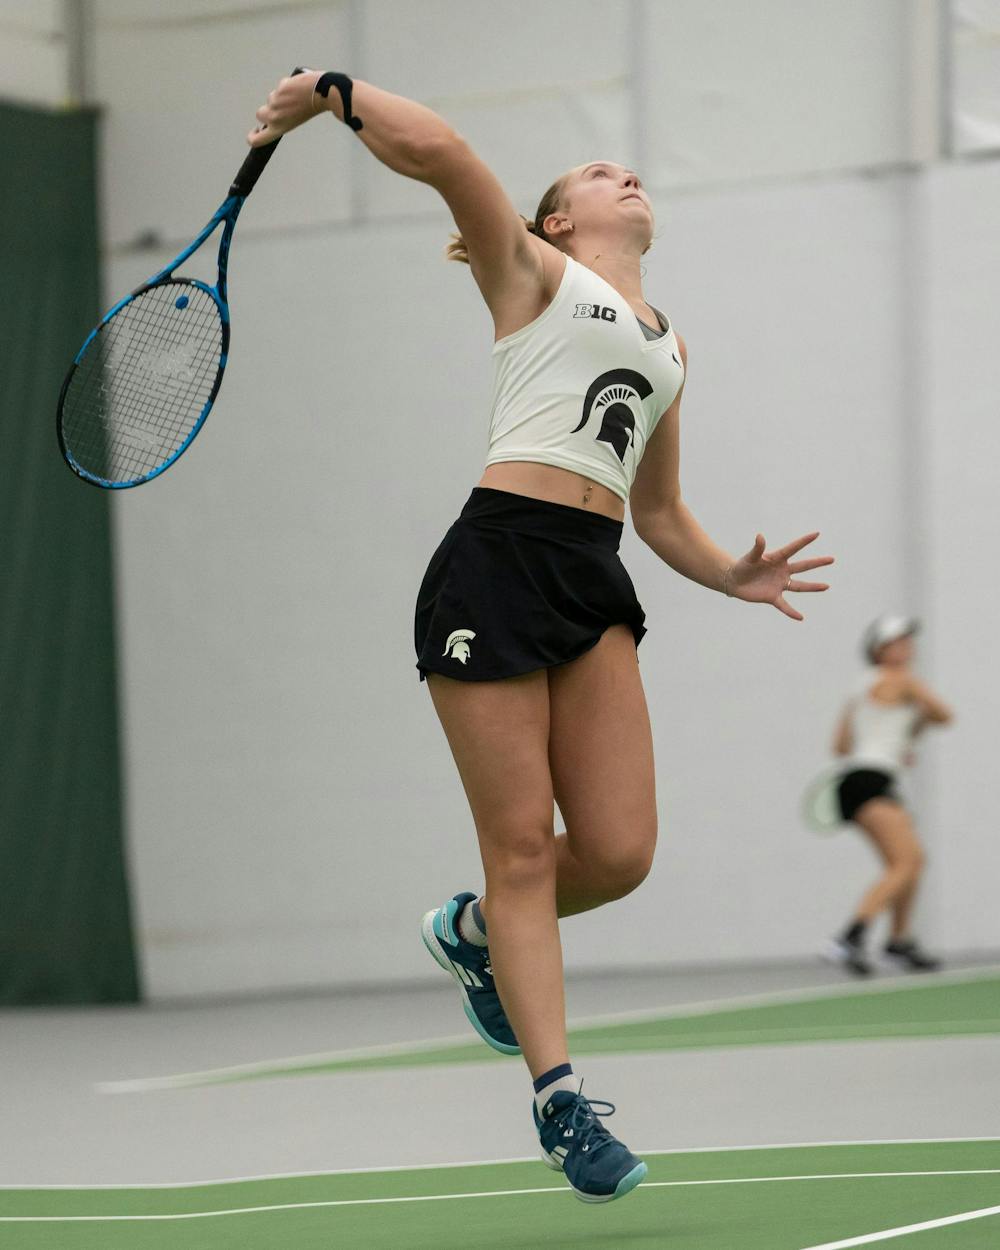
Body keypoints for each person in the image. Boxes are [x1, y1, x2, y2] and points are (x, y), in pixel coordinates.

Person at [249, 70, 833, 1203]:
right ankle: (560, 1099)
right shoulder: (530, 274)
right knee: (522, 848)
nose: (628, 172)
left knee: (616, 852)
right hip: (493, 561)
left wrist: (730, 573)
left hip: (591, 572)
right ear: (559, 217)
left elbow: (656, 508)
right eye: (598, 172)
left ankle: (467, 932)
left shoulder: (667, 342)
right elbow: (444, 150)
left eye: (630, 169)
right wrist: (331, 90)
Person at [826, 616, 952, 976]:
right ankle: (850, 937)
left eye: (908, 640)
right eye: (898, 641)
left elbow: (840, 745)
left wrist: (903, 736)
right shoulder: (905, 681)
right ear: (880, 650)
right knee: (907, 863)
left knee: (907, 861)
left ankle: (899, 942)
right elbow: (944, 714)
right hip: (872, 780)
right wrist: (917, 726)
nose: (907, 647)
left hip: (855, 780)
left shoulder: (859, 689)